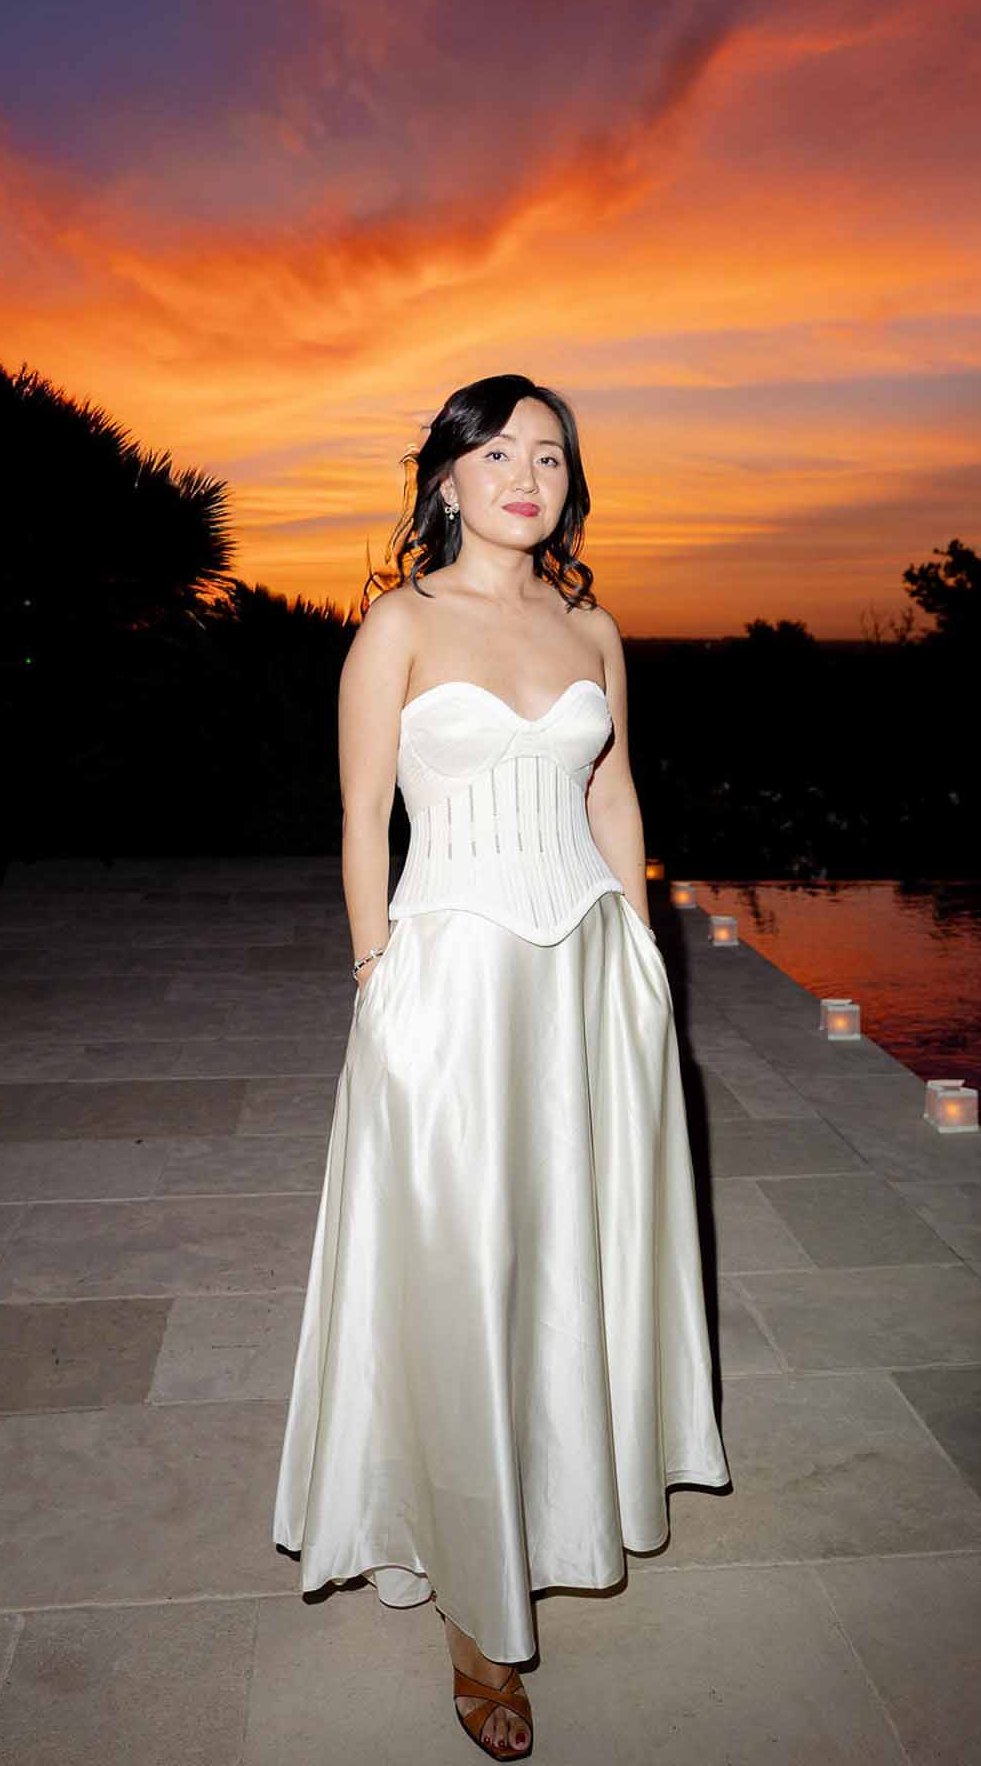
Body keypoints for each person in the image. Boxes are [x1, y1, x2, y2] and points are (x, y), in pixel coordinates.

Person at [272, 374, 729, 1758]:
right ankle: (477, 1620)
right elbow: (359, 817)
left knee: (567, 1261)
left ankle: (571, 1485)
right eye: (498, 454)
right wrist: (375, 981)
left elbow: (610, 791)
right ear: (449, 480)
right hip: (452, 981)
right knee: (464, 1274)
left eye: (549, 455)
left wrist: (645, 956)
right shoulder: (396, 626)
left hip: (586, 975)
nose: (526, 475)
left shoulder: (589, 625)